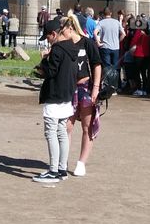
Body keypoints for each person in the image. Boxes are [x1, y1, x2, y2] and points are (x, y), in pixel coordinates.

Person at [32, 18, 78, 184]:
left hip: (55, 94)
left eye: (48, 37)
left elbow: (50, 72)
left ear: (53, 34)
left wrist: (45, 59)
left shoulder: (57, 50)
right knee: (61, 132)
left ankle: (53, 171)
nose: (48, 41)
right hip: (67, 95)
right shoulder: (72, 47)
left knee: (51, 132)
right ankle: (62, 169)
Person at [62, 13, 102, 176]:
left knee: (87, 126)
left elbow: (97, 65)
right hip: (68, 88)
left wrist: (96, 88)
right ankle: (62, 160)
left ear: (71, 27)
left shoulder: (88, 43)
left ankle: (81, 163)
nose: (61, 31)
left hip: (86, 87)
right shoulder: (63, 44)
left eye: (62, 27)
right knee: (66, 127)